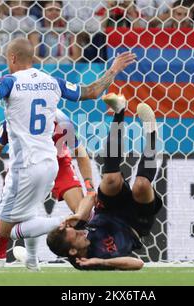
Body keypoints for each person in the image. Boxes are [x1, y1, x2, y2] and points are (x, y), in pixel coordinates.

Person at [0, 37, 136, 270]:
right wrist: (113, 69)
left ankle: (59, 226)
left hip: (27, 166)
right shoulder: (52, 82)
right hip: (49, 165)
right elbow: (92, 92)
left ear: (12, 58)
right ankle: (31, 262)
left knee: (5, 229)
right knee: (29, 214)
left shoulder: (11, 82)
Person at [41, 95, 163, 271]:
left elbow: (92, 197)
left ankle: (119, 111)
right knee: (142, 185)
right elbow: (138, 264)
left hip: (109, 209)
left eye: (75, 230)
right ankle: (152, 134)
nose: (81, 231)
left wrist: (79, 215)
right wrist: (103, 262)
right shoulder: (89, 261)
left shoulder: (77, 231)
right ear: (74, 250)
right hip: (135, 223)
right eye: (76, 235)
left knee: (111, 179)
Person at [0, 109, 95, 268]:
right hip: (27, 169)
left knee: (83, 215)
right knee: (12, 224)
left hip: (59, 166)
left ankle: (95, 254)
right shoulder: (16, 117)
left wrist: (89, 187)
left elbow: (80, 152)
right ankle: (9, 259)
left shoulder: (60, 119)